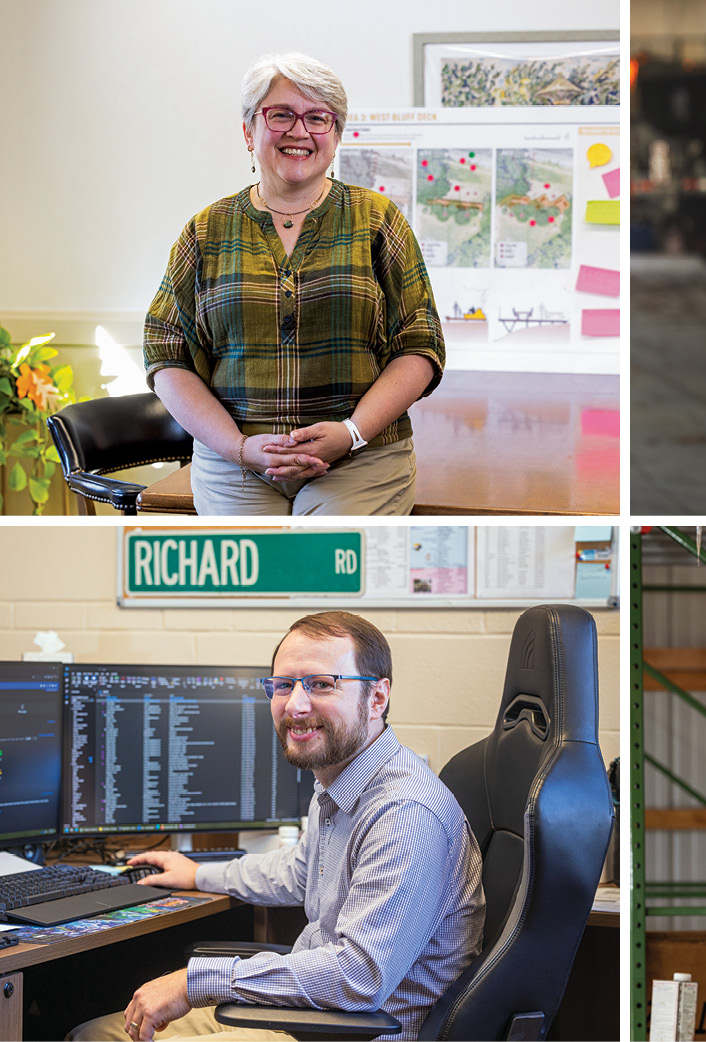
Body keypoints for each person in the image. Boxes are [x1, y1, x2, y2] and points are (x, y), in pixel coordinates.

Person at [70, 612, 484, 1042]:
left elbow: (358, 976)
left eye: (321, 684)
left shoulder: (404, 812)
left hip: (346, 1031)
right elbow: (300, 871)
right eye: (283, 685)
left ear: (377, 698)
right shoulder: (339, 783)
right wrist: (198, 873)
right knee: (99, 1032)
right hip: (308, 1013)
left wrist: (195, 982)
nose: (295, 705)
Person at [145, 53, 444, 515]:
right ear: (249, 131)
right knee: (254, 579)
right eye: (280, 114)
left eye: (318, 118)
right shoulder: (205, 231)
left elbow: (420, 344)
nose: (299, 131)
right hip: (236, 462)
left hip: (361, 457)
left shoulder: (378, 220)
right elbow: (166, 353)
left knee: (324, 574)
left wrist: (351, 433)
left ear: (336, 135)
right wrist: (239, 449)